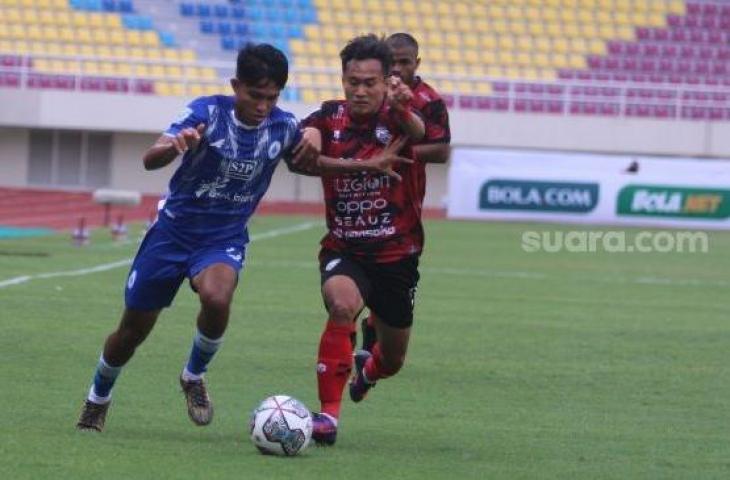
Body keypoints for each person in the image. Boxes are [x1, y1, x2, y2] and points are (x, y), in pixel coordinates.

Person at [76, 43, 315, 432]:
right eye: (255, 95)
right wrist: (174, 145)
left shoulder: (283, 126)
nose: (263, 105)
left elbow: (313, 162)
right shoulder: (206, 112)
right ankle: (97, 398)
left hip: (222, 237)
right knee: (131, 332)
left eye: (271, 97)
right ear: (237, 86)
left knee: (218, 296)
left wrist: (359, 163)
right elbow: (150, 158)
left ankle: (193, 376)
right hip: (172, 234)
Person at [294, 34, 428, 446]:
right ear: (343, 79)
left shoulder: (397, 117)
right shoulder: (328, 117)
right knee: (341, 304)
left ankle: (368, 371)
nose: (360, 90)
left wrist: (403, 105)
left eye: (370, 82)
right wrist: (322, 148)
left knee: (393, 360)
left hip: (396, 255)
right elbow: (306, 155)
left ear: (387, 81)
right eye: (353, 81)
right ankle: (328, 418)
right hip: (346, 249)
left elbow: (419, 130)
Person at [359, 32, 452, 353]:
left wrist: (397, 154)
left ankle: (374, 324)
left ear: (417, 63)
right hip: (364, 192)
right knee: (364, 252)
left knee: (398, 264)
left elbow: (441, 151)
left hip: (405, 198)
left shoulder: (430, 100)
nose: (397, 69)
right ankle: (363, 333)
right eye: (393, 62)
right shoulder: (370, 92)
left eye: (405, 62)